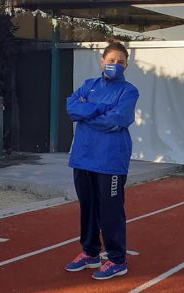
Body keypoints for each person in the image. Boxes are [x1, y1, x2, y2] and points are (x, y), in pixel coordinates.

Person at [63, 41, 139, 280]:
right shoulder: (89, 85)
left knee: (110, 211)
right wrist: (98, 110)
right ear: (102, 61)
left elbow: (117, 120)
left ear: (127, 65)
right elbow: (71, 108)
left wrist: (87, 113)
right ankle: (90, 252)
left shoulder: (128, 91)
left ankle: (117, 259)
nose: (115, 65)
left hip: (110, 160)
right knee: (88, 209)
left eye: (121, 62)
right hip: (83, 157)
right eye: (111, 60)